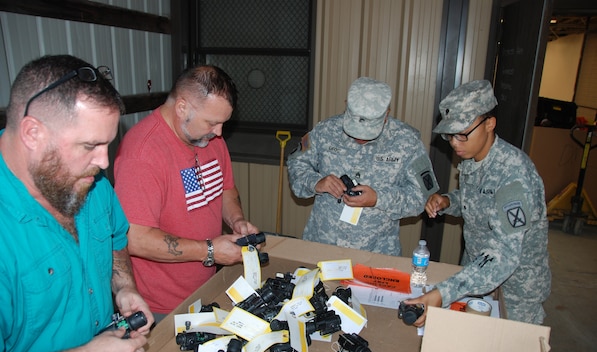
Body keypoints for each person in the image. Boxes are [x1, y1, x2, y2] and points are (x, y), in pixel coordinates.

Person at [0, 55, 154, 352]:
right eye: (90, 146)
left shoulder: (88, 180)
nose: (104, 162)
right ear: (33, 133)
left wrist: (124, 288)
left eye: (107, 144)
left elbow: (114, 237)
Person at [114, 65, 259, 322]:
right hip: (161, 305)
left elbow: (225, 190)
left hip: (206, 287)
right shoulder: (142, 154)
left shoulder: (208, 138)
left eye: (223, 123)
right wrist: (210, 252)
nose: (219, 133)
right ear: (182, 108)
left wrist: (236, 221)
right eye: (212, 122)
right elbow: (135, 239)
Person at [405, 79, 551, 325]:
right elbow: (475, 201)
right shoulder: (474, 159)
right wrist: (447, 202)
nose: (454, 143)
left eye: (462, 135)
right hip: (478, 273)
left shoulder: (514, 175)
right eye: (450, 136)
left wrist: (444, 293)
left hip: (516, 288)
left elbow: (504, 254)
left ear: (490, 124)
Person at [287, 77, 439, 256]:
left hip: (376, 253)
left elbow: (423, 197)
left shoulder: (408, 141)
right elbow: (296, 164)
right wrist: (316, 182)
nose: (360, 138)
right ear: (346, 106)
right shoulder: (324, 131)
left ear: (387, 114)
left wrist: (379, 199)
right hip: (322, 246)